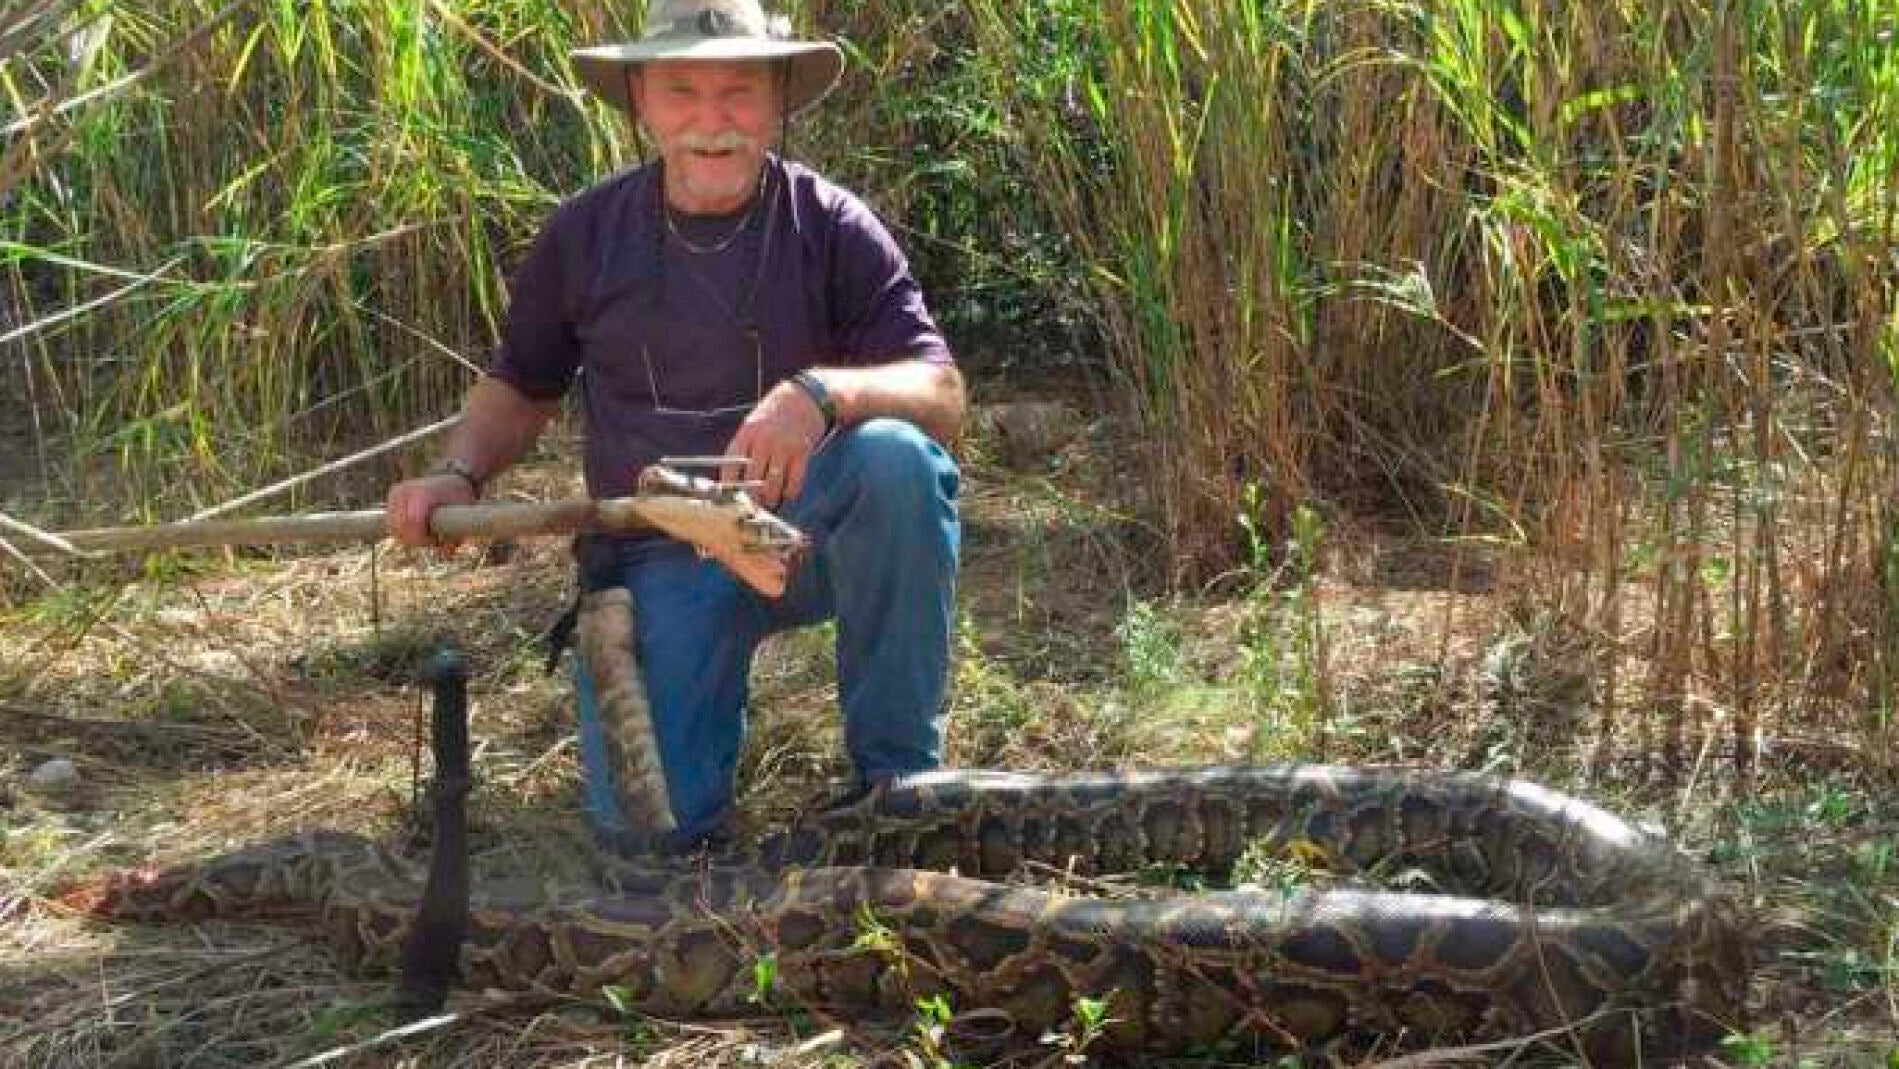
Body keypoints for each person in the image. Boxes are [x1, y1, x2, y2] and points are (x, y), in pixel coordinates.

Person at [384, 0, 964, 854]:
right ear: (641, 103)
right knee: (651, 842)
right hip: (653, 551)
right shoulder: (584, 234)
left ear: (776, 100)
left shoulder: (832, 224)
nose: (711, 120)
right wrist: (458, 474)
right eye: (682, 90)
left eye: (737, 91)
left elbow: (942, 393)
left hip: (796, 535)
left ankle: (901, 791)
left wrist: (819, 393)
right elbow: (521, 382)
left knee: (898, 459)